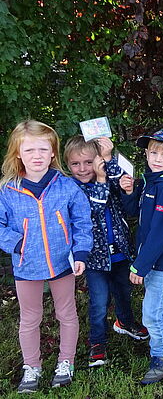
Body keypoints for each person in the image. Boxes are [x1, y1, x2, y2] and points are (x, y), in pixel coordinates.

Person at [0, 120, 93, 393]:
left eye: (43, 149)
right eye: (29, 150)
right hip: (26, 265)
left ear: (53, 152)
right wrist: (18, 244)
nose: (37, 156)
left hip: (62, 262)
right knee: (30, 318)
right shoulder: (7, 190)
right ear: (18, 153)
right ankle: (32, 366)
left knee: (67, 313)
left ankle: (66, 362)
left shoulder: (66, 186)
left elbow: (82, 222)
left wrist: (81, 252)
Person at [64, 135, 148, 368]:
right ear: (68, 165)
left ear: (97, 161)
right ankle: (97, 342)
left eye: (88, 162)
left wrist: (109, 158)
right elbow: (93, 210)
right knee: (99, 302)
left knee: (124, 292)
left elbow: (121, 180)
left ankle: (125, 322)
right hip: (94, 258)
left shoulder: (106, 176)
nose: (82, 169)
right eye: (75, 164)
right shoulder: (72, 187)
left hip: (119, 251)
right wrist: (100, 177)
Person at [119, 129, 163, 385]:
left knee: (150, 312)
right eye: (154, 152)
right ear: (146, 153)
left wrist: (140, 266)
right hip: (150, 257)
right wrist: (128, 192)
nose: (157, 158)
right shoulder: (152, 179)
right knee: (161, 303)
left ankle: (160, 358)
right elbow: (134, 212)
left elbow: (160, 231)